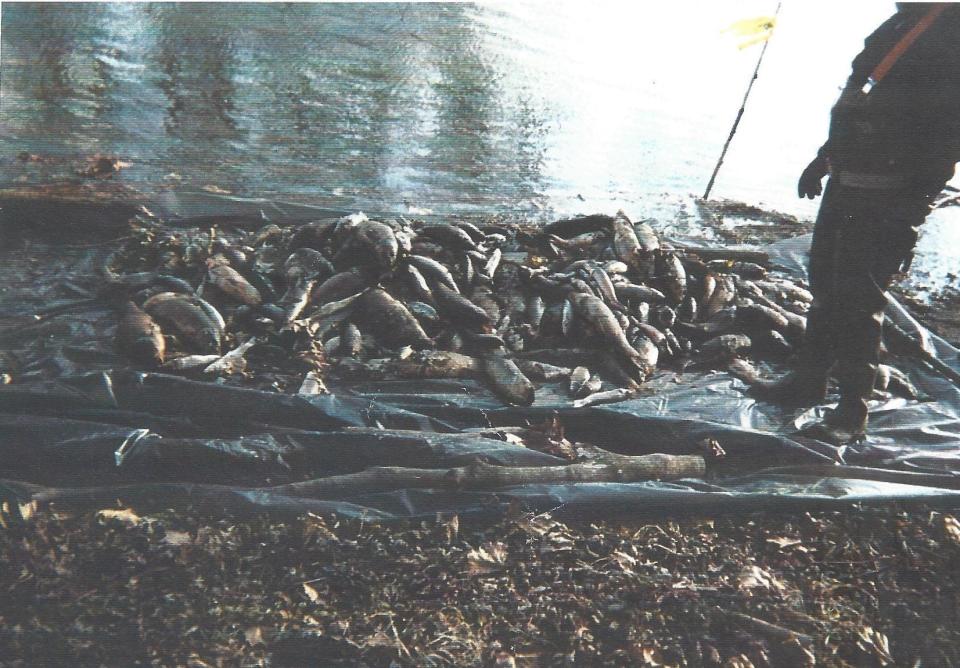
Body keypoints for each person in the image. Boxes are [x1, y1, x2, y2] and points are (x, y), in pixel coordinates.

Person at [750, 3, 960, 443]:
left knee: (859, 301)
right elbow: (861, 92)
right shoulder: (903, 21)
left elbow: (946, 144)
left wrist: (909, 216)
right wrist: (824, 158)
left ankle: (851, 413)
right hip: (848, 180)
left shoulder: (950, 32)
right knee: (823, 282)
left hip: (888, 196)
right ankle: (807, 382)